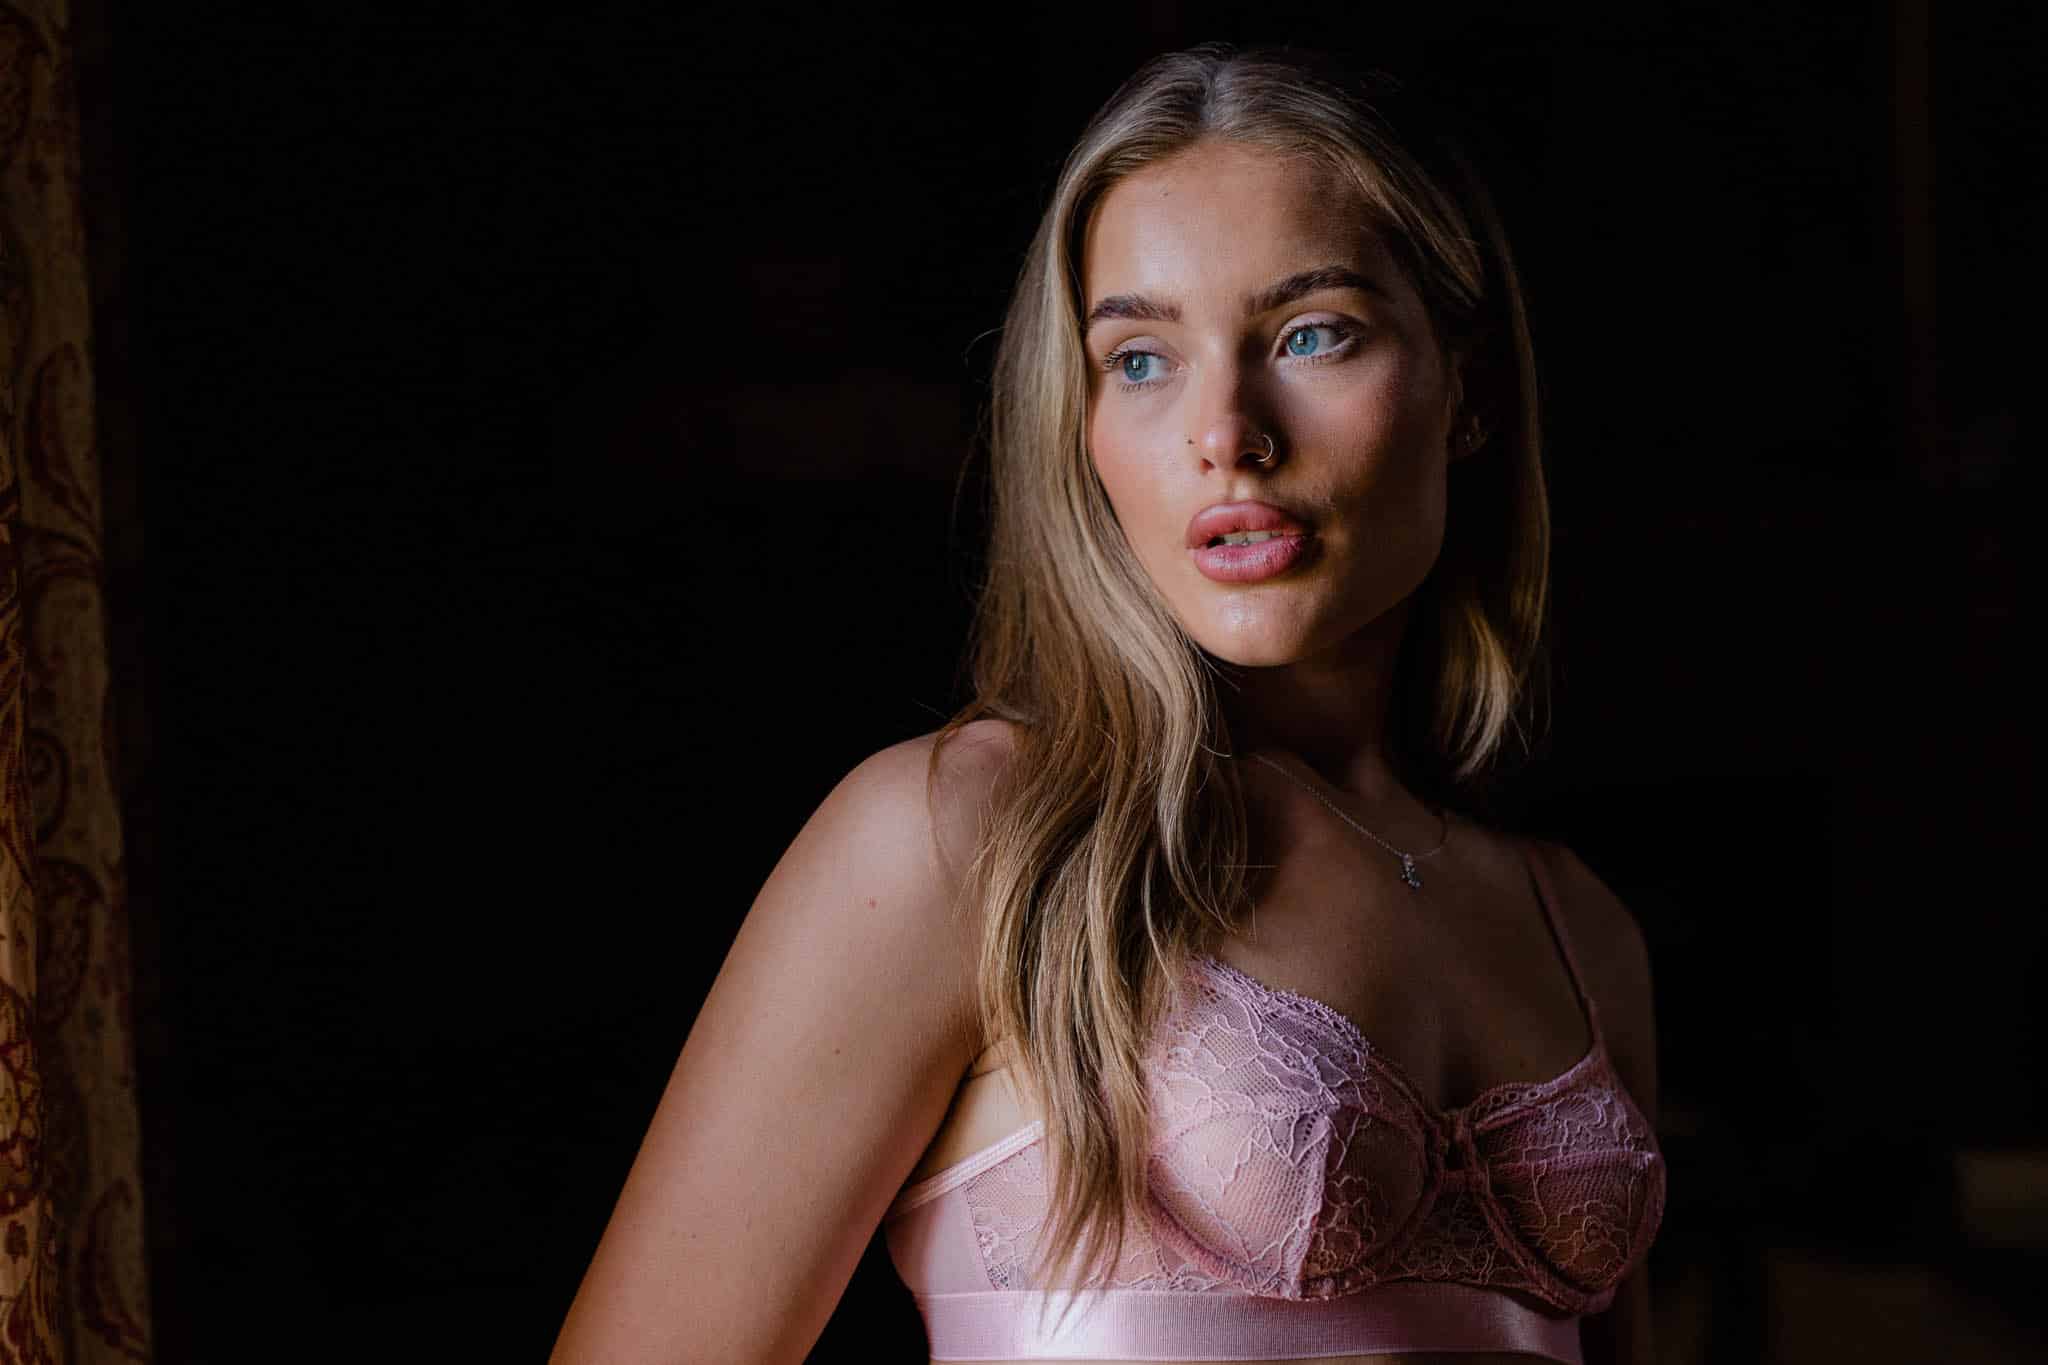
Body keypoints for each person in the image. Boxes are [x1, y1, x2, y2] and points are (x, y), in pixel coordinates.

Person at [550, 42, 1665, 1365]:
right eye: (1139, 359)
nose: (1226, 431)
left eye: (1311, 334)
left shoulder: (1575, 923)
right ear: (1074, 418)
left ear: (1465, 390)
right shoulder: (969, 836)